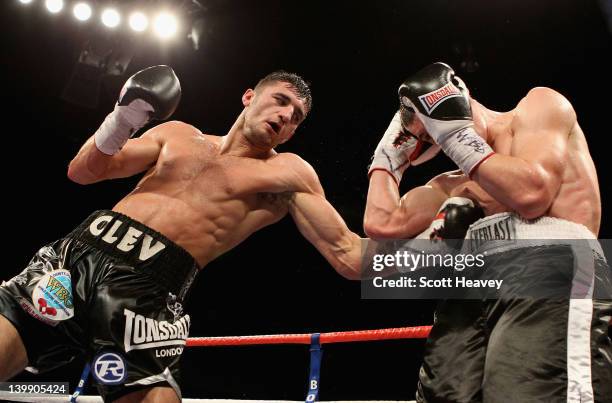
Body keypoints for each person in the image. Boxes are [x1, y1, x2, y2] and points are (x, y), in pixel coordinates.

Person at [0, 65, 365, 403]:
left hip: (146, 293)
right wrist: (121, 118)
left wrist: (424, 251)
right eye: (281, 101)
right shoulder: (178, 134)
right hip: (74, 258)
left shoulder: (288, 173)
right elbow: (83, 172)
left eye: (296, 118)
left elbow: (350, 257)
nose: (286, 116)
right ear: (249, 96)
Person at [369, 62, 612, 402]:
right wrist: (387, 159)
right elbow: (382, 225)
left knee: (529, 393)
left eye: (437, 127)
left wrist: (452, 132)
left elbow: (531, 194)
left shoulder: (537, 107)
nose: (438, 136)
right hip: (475, 284)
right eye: (429, 136)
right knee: (444, 395)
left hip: (549, 264)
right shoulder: (452, 184)